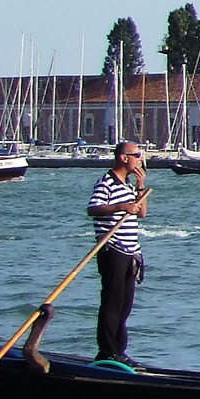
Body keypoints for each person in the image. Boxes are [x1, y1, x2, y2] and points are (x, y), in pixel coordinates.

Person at [83, 143, 151, 365]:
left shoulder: (129, 184)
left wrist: (141, 187)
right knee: (112, 302)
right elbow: (93, 209)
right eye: (137, 155)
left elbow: (141, 212)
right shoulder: (107, 182)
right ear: (124, 158)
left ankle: (119, 352)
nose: (140, 159)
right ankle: (107, 350)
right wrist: (120, 207)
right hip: (112, 248)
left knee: (125, 304)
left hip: (131, 252)